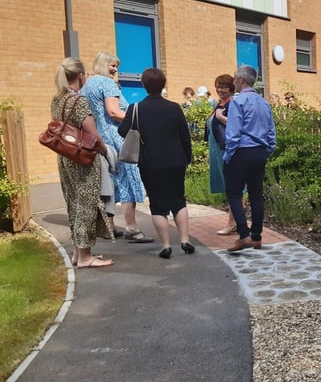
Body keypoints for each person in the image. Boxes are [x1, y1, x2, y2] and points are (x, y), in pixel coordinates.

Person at [119, 68, 193, 259]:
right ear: (163, 84)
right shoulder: (174, 107)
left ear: (144, 85)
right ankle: (185, 240)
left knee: (158, 204)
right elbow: (185, 137)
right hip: (176, 162)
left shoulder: (135, 109)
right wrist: (187, 158)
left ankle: (166, 245)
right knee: (179, 200)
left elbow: (122, 132)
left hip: (150, 163)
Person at [81, 51, 153, 243]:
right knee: (129, 180)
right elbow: (113, 112)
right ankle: (131, 227)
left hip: (97, 139)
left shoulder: (87, 85)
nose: (115, 70)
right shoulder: (107, 83)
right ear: (103, 64)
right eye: (112, 65)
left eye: (116, 66)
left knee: (110, 183)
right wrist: (137, 117)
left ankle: (108, 226)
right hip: (116, 138)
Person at [52, 58, 114, 268]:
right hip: (82, 158)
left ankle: (79, 253)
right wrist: (107, 152)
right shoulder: (79, 101)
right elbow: (93, 135)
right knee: (87, 205)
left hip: (65, 157)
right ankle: (86, 256)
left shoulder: (57, 99)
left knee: (74, 204)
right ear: (80, 75)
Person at [223, 65, 276, 252]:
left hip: (242, 151)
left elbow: (233, 133)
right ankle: (257, 237)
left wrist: (228, 155)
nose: (234, 82)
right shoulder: (263, 102)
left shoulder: (238, 102)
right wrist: (267, 149)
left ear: (241, 80)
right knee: (256, 195)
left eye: (235, 79)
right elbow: (271, 132)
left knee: (234, 194)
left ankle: (244, 235)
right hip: (259, 152)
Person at [206, 74, 239, 235]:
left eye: (224, 86)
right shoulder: (220, 103)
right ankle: (235, 220)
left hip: (227, 150)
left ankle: (233, 222)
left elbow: (237, 126)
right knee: (228, 187)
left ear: (231, 88)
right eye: (218, 86)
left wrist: (220, 117)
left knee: (233, 186)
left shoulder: (233, 103)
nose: (220, 89)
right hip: (218, 150)